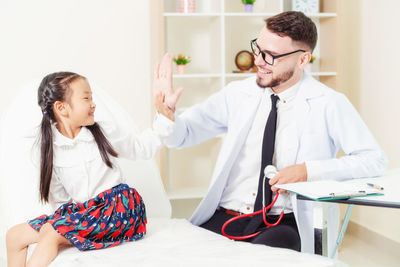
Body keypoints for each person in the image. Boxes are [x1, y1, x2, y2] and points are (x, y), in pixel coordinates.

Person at [153, 11, 387, 254]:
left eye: (272, 56)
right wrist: (167, 115)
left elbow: (374, 160)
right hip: (228, 214)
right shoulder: (237, 94)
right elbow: (182, 135)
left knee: (270, 253)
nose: (259, 61)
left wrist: (308, 171)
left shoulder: (328, 103)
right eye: (258, 49)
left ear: (303, 59)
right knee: (184, 254)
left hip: (283, 221)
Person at [6, 71, 176, 267]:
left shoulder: (103, 131)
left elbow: (140, 148)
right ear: (61, 108)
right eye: (86, 98)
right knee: (14, 236)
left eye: (92, 97)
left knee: (52, 233)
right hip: (86, 212)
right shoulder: (49, 146)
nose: (93, 103)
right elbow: (60, 199)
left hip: (118, 208)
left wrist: (165, 119)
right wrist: (64, 223)